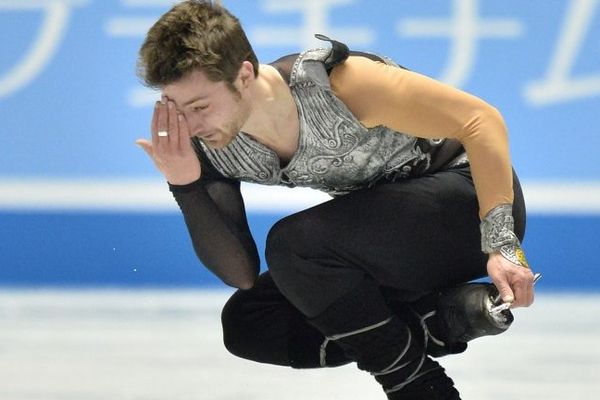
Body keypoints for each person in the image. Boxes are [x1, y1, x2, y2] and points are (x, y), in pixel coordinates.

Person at [135, 1, 536, 398]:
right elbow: (239, 273)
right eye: (177, 109)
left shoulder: (338, 83)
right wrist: (185, 184)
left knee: (296, 245)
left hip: (468, 208)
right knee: (250, 320)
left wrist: (502, 246)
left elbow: (481, 120)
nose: (191, 124)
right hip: (390, 243)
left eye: (200, 106)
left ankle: (419, 388)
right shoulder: (213, 146)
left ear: (243, 76)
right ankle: (437, 323)